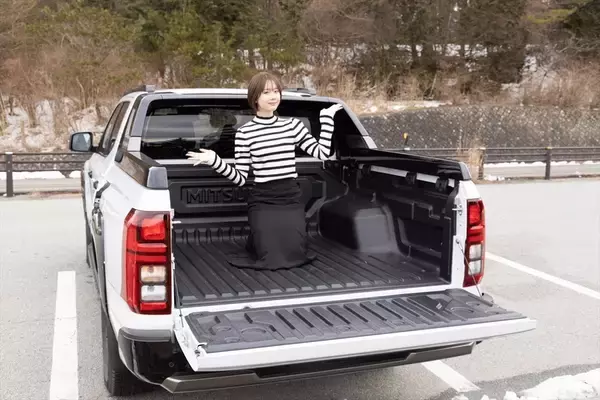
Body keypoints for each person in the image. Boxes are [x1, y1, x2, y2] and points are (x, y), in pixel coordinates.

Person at [186, 71, 342, 270]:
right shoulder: (245, 133)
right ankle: (258, 241)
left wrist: (327, 120)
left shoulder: (292, 126)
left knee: (294, 253)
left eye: (276, 91)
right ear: (255, 98)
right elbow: (240, 178)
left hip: (290, 199)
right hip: (263, 200)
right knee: (270, 256)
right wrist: (214, 160)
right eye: (267, 92)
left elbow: (322, 153)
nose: (273, 96)